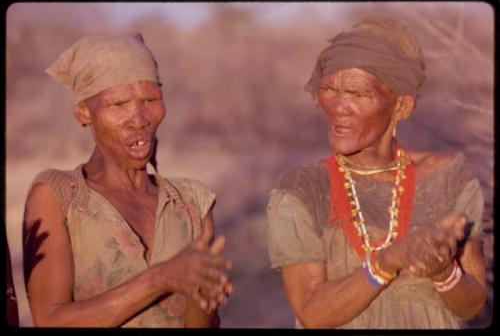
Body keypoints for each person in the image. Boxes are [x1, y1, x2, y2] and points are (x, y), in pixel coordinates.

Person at [266, 17, 487, 329]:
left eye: (359, 95)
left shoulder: (448, 179)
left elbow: (472, 306)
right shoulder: (303, 189)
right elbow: (312, 313)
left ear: (401, 106)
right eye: (329, 89)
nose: (339, 106)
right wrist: (385, 263)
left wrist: (443, 273)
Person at [22, 32, 232, 328]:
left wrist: (201, 293)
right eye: (119, 104)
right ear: (84, 112)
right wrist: (162, 277)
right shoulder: (58, 196)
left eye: (150, 99)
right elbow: (49, 320)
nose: (139, 118)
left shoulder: (191, 202)